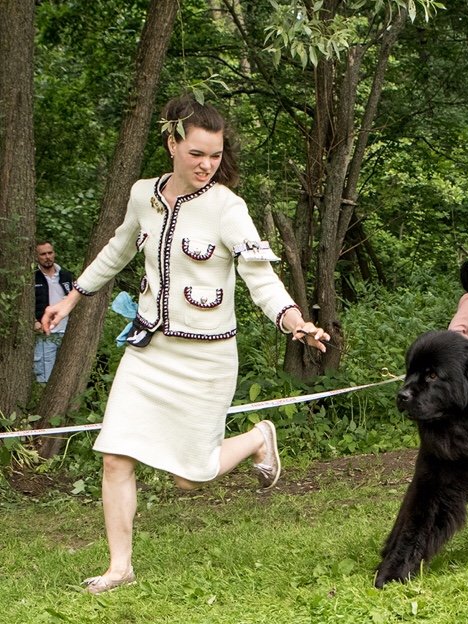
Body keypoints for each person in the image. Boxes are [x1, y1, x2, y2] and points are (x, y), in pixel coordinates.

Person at [41, 95, 330, 594]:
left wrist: (294, 321)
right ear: (172, 144)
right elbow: (117, 248)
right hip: (150, 349)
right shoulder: (142, 196)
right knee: (115, 454)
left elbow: (260, 278)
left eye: (215, 155)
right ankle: (119, 567)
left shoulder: (227, 208)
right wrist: (71, 299)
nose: (206, 165)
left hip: (207, 357)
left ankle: (259, 438)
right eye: (197, 153)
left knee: (191, 479)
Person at [34, 242, 73, 382]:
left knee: (66, 374)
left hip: (67, 332)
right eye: (43, 254)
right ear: (37, 257)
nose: (47, 257)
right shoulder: (33, 277)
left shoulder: (65, 275)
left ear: (54, 253)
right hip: (46, 333)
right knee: (44, 375)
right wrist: (34, 321)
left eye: (50, 253)